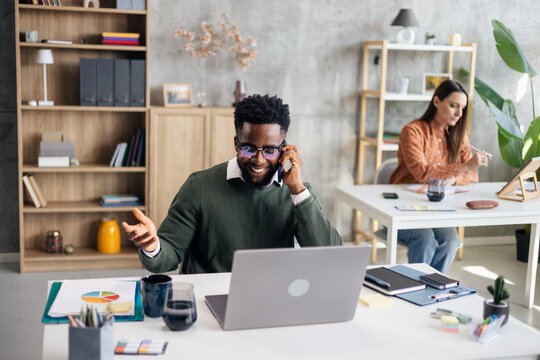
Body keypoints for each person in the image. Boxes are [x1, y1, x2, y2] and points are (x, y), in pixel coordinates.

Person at [122, 94, 342, 274]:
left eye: (270, 150)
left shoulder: (296, 193)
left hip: (271, 297)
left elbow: (331, 257)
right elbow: (167, 259)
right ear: (236, 143)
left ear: (285, 148)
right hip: (208, 298)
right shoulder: (199, 186)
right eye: (248, 148)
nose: (259, 160)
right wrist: (152, 246)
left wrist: (298, 192)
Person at [389, 79, 490, 273]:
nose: (459, 114)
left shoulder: (459, 136)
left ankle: (433, 286)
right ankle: (414, 288)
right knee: (425, 239)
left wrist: (455, 175)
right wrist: (463, 167)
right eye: (453, 106)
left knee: (451, 241)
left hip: (437, 209)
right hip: (402, 208)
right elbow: (422, 173)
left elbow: (473, 176)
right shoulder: (413, 131)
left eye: (462, 108)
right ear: (436, 102)